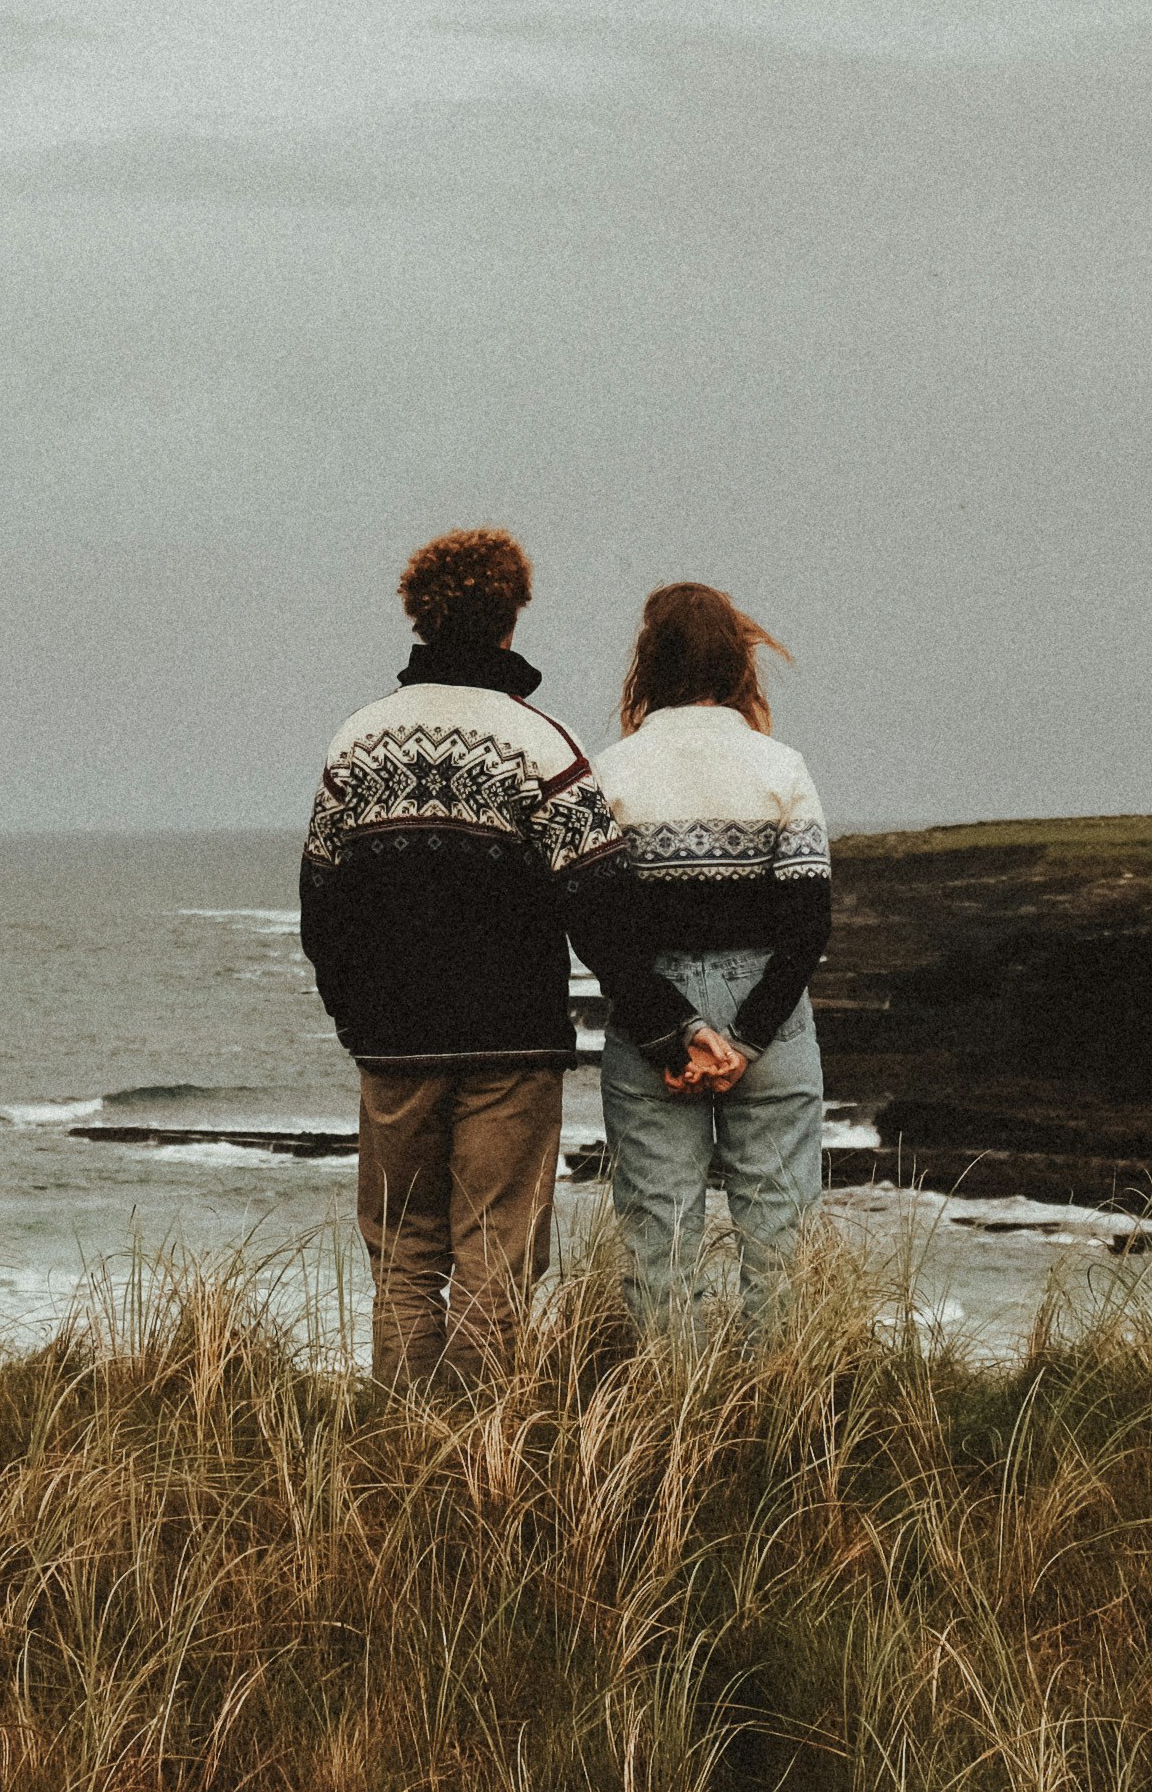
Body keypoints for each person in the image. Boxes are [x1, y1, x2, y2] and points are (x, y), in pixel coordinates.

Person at [297, 526, 717, 1386]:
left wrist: (355, 1019)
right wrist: (670, 1029)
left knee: (404, 1259)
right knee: (497, 1260)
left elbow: (321, 906)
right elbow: (602, 912)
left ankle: (400, 1444)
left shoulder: (356, 744)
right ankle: (480, 1444)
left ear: (419, 614)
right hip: (512, 1047)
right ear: (511, 617)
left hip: (393, 1046)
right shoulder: (542, 745)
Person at [595, 582, 833, 1334]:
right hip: (767, 1003)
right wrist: (747, 1038)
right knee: (780, 1235)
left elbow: (598, 929)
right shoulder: (781, 767)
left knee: (659, 1237)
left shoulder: (609, 773)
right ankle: (782, 1402)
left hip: (652, 1011)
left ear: (647, 664)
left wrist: (678, 1032)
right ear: (738, 663)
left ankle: (674, 1404)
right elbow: (808, 927)